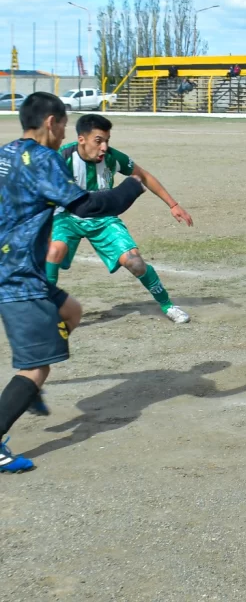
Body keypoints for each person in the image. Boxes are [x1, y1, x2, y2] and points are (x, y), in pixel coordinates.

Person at [0, 92, 145, 473]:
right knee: (37, 367)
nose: (64, 131)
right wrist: (132, 186)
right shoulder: (46, 159)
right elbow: (89, 207)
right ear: (51, 122)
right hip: (18, 276)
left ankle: (28, 389)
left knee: (72, 311)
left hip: (15, 265)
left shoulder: (7, 153)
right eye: (63, 124)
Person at [45, 114, 194, 324]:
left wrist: (173, 204)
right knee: (53, 251)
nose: (104, 147)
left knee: (135, 263)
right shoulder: (63, 157)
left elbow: (144, 176)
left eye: (107, 140)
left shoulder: (113, 157)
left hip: (103, 219)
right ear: (82, 139)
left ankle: (167, 305)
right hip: (68, 216)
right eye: (99, 141)